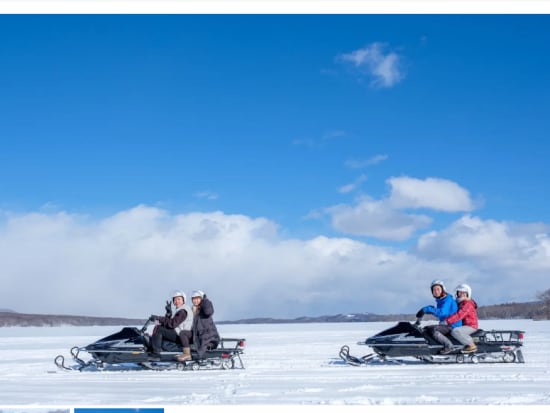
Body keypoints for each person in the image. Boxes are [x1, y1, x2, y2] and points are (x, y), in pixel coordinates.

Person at [416, 279, 462, 354]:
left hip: (453, 325)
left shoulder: (447, 299)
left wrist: (427, 309)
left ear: (443, 289)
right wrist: (425, 310)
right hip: (446, 324)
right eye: (434, 290)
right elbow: (438, 310)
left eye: (438, 289)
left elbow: (442, 312)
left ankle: (449, 346)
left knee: (434, 330)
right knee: (427, 329)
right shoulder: (441, 300)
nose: (436, 291)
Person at [176, 289, 220, 361]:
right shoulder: (193, 310)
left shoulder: (204, 309)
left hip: (209, 338)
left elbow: (208, 311)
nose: (195, 301)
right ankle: (187, 354)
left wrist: (205, 300)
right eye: (193, 299)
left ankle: (191, 354)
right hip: (198, 335)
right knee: (183, 333)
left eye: (197, 299)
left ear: (201, 299)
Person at [149, 290, 194, 361]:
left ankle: (156, 354)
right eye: (175, 300)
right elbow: (170, 322)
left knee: (159, 329)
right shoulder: (180, 309)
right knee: (160, 327)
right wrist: (168, 313)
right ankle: (160, 349)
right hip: (178, 332)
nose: (176, 301)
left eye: (179, 299)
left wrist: (158, 318)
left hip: (182, 335)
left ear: (183, 300)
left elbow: (172, 324)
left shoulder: (183, 311)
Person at [445, 283, 479, 353]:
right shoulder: (460, 303)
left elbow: (459, 315)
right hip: (465, 325)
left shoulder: (467, 304)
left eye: (463, 293)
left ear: (467, 294)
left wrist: (447, 321)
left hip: (471, 326)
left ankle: (471, 345)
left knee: (456, 331)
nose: (460, 294)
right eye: (459, 292)